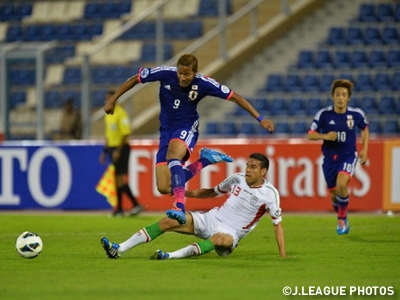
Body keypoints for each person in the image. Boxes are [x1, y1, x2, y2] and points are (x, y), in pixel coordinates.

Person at [103, 53, 275, 225]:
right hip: (165, 132)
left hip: (186, 127)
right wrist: (112, 99)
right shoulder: (165, 73)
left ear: (195, 72)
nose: (182, 78)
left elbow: (235, 97)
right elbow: (136, 78)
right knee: (164, 187)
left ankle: (179, 207)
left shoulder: (204, 83)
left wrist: (260, 119)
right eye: (180, 73)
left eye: (187, 74)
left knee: (173, 156)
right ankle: (204, 161)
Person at [100, 153, 286, 259]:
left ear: (263, 171)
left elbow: (277, 224)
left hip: (232, 233)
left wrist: (283, 255)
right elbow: (211, 192)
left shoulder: (270, 194)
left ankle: (169, 256)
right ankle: (119, 248)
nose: (247, 170)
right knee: (168, 221)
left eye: (253, 167)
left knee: (219, 240)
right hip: (211, 218)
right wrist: (185, 193)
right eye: (247, 165)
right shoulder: (237, 179)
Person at [307, 79, 369, 235]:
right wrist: (325, 136)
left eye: (344, 95)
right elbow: (310, 135)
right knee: (334, 194)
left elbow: (365, 129)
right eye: (337, 94)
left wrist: (365, 150)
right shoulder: (324, 114)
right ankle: (342, 215)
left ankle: (342, 219)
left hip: (348, 156)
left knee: (342, 183)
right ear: (332, 96)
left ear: (348, 98)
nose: (340, 98)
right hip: (329, 159)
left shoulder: (356, 114)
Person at [99, 90, 143, 217]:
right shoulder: (108, 114)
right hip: (112, 148)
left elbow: (125, 133)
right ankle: (120, 208)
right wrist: (104, 151)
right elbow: (108, 135)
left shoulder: (121, 113)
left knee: (119, 179)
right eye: (106, 99)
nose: (107, 101)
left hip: (121, 148)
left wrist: (118, 150)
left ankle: (132, 206)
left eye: (109, 99)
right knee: (117, 179)